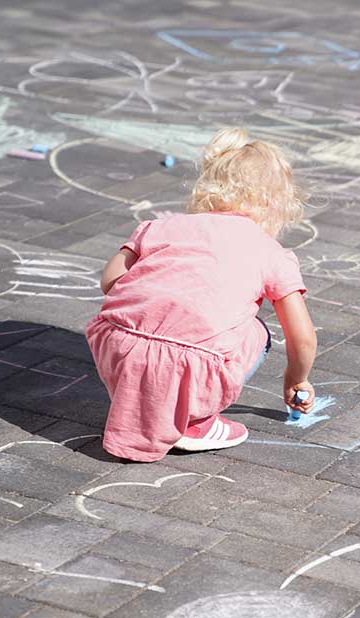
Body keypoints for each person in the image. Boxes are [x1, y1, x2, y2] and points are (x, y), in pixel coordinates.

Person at [85, 128, 317, 462]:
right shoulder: (270, 252)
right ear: (275, 202)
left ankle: (146, 398)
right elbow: (303, 338)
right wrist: (296, 379)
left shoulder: (161, 226)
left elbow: (110, 281)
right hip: (193, 361)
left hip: (116, 345)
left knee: (147, 326)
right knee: (257, 333)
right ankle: (195, 422)